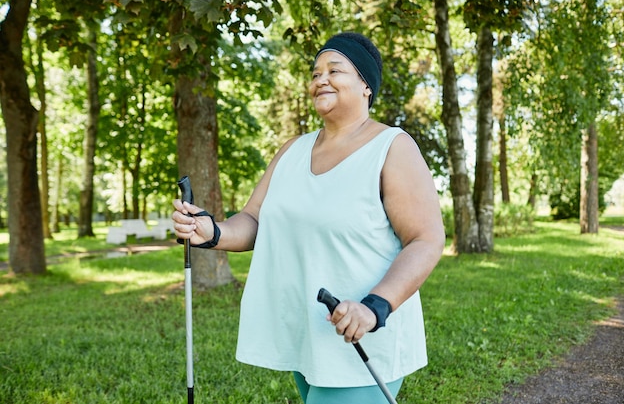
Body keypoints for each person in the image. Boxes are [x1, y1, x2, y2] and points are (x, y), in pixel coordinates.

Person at [172, 32, 445, 404]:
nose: (321, 80)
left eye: (335, 70)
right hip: (307, 337)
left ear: (366, 86)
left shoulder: (392, 147)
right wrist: (213, 230)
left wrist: (374, 306)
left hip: (362, 337)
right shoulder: (293, 151)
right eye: (315, 73)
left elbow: (426, 239)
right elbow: (254, 218)